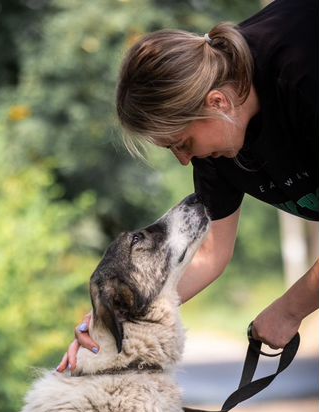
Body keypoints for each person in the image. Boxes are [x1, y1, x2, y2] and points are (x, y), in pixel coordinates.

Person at [58, 0, 318, 372]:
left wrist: (290, 309)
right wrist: (104, 324)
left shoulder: (303, 73)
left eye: (183, 143)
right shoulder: (215, 143)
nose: (184, 160)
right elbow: (211, 254)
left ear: (217, 103)